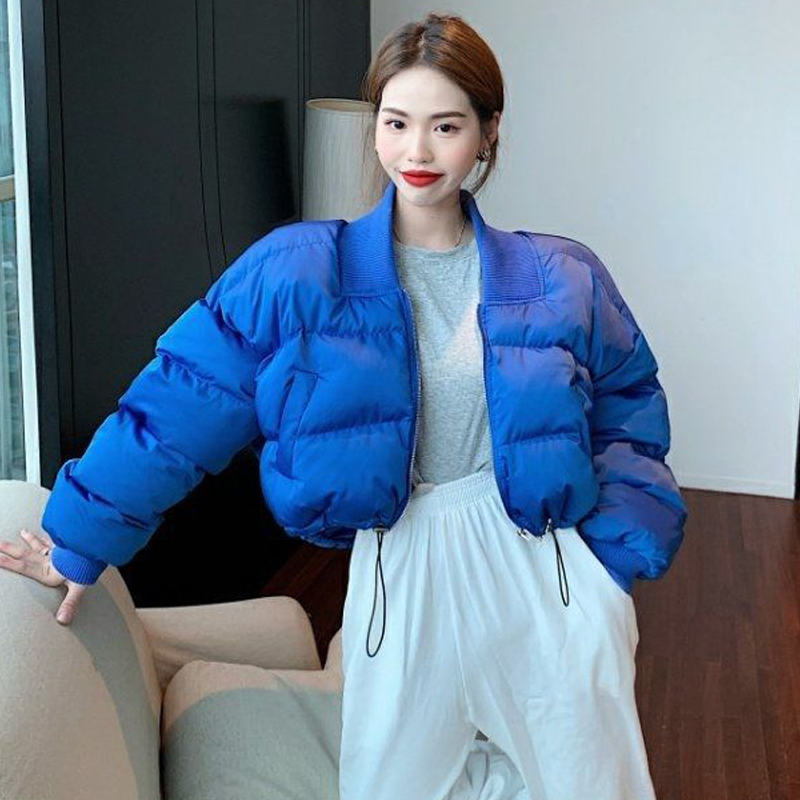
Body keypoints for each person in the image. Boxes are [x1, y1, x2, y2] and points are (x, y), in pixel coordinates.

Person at [0, 12, 687, 800]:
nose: (417, 151)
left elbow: (628, 408)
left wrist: (610, 569)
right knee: (396, 785)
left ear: (488, 133)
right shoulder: (298, 273)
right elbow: (177, 408)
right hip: (403, 558)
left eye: (446, 126)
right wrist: (78, 540)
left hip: (542, 562)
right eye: (396, 123)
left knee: (584, 782)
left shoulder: (562, 276)